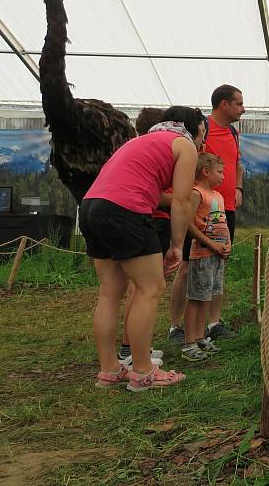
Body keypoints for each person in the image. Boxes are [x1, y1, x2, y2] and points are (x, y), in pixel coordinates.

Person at [81, 106, 203, 391]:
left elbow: (152, 190)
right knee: (150, 289)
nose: (202, 139)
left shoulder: (141, 142)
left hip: (92, 206)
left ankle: (109, 370)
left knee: (109, 294)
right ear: (193, 128)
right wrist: (176, 245)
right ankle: (144, 371)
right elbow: (182, 200)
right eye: (202, 132)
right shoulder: (184, 145)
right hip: (126, 210)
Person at [168, 85, 244, 344]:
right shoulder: (202, 128)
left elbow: (237, 164)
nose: (242, 109)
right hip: (199, 207)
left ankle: (213, 323)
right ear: (224, 104)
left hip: (225, 208)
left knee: (218, 265)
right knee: (188, 266)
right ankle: (176, 326)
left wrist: (237, 187)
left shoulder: (234, 133)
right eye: (238, 104)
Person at [118, 107, 168, 369]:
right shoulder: (155, 151)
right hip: (148, 219)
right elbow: (153, 192)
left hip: (130, 217)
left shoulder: (131, 149)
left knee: (135, 288)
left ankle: (134, 349)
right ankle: (134, 353)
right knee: (143, 288)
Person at [181, 153, 232, 361]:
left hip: (217, 256)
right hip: (202, 254)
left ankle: (201, 337)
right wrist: (210, 244)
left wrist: (226, 244)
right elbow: (187, 222)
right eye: (219, 172)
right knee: (196, 298)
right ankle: (189, 342)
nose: (223, 176)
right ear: (205, 171)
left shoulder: (218, 196)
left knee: (207, 297)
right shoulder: (196, 194)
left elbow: (223, 225)